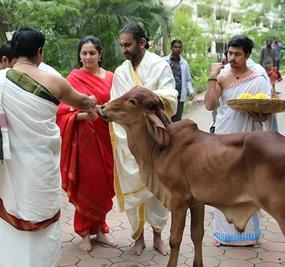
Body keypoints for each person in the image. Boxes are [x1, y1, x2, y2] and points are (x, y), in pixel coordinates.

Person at [0, 27, 97, 267]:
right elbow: (82, 101)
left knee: (10, 215)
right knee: (42, 216)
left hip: (11, 165)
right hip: (40, 165)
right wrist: (92, 102)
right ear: (39, 52)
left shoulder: (1, 80)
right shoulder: (54, 80)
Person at [110, 23, 177, 256]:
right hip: (128, 141)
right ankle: (137, 237)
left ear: (142, 42)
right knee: (133, 192)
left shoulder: (160, 66)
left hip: (155, 140)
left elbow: (170, 97)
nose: (124, 50)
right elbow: (116, 105)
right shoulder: (121, 72)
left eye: (128, 44)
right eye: (122, 46)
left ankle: (158, 236)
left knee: (158, 192)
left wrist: (145, 99)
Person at [205, 35, 273, 246]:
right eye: (230, 53)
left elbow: (266, 112)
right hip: (224, 137)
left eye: (237, 54)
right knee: (222, 183)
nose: (232, 58)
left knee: (247, 185)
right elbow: (209, 105)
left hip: (248, 140)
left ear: (247, 55)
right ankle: (222, 234)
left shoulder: (258, 78)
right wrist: (212, 77)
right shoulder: (222, 76)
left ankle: (249, 235)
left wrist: (259, 116)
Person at [56, 35, 116, 251]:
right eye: (84, 53)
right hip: (83, 141)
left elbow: (118, 104)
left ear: (100, 54)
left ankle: (100, 230)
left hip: (107, 137)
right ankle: (83, 233)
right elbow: (61, 111)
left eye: (92, 53)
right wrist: (81, 117)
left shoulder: (111, 77)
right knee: (86, 184)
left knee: (105, 184)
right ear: (79, 56)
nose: (88, 57)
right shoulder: (72, 78)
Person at [164, 39, 194, 121]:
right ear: (171, 48)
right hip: (167, 96)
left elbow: (188, 80)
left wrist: (190, 91)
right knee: (167, 119)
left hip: (180, 96)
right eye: (175, 47)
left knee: (177, 121)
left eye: (179, 47)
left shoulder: (184, 63)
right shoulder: (164, 61)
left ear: (182, 49)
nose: (177, 49)